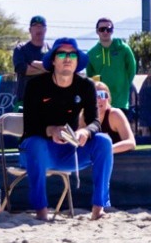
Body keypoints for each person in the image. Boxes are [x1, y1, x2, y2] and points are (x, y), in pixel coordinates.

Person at [17, 37, 115, 220]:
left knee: (104, 142)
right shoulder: (35, 85)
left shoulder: (86, 85)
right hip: (39, 150)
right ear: (53, 60)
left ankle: (98, 208)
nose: (67, 58)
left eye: (72, 54)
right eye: (62, 53)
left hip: (71, 150)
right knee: (35, 143)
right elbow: (29, 125)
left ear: (78, 61)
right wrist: (51, 130)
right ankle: (41, 212)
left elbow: (95, 121)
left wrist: (85, 131)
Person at [85, 19, 139, 113]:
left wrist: (125, 84)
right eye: (102, 29)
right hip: (101, 103)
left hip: (120, 102)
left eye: (108, 29)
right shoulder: (91, 53)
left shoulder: (123, 48)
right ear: (97, 31)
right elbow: (91, 76)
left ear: (112, 30)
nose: (105, 32)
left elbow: (132, 68)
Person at [89, 79, 136, 154]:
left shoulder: (114, 115)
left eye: (102, 95)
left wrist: (105, 150)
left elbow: (131, 143)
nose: (98, 100)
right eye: (95, 95)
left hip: (120, 162)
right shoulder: (84, 117)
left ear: (108, 98)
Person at [12, 16, 50, 81]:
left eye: (41, 26)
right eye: (35, 25)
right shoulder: (21, 49)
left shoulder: (51, 50)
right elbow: (22, 69)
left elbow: (57, 69)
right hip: (24, 90)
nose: (38, 28)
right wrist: (47, 68)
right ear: (30, 30)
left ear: (45, 30)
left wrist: (37, 66)